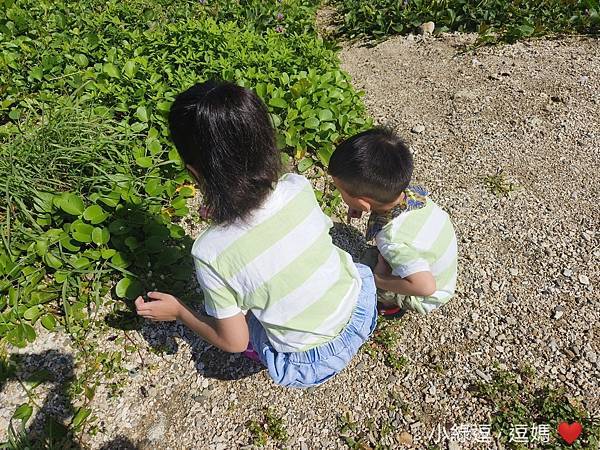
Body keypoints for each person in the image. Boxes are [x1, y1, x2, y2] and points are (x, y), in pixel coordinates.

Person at [135, 81, 377, 388]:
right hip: (360, 310)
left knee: (247, 328)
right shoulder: (296, 187)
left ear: (194, 171)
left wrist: (180, 312)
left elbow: (234, 342)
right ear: (268, 142)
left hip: (309, 361)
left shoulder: (210, 253)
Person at [328, 127, 457, 315]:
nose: (339, 194)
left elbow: (425, 287)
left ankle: (389, 306)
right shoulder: (416, 197)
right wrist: (357, 204)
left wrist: (378, 278)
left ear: (364, 203)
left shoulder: (391, 239)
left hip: (428, 294)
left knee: (362, 272)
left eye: (340, 191)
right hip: (436, 263)